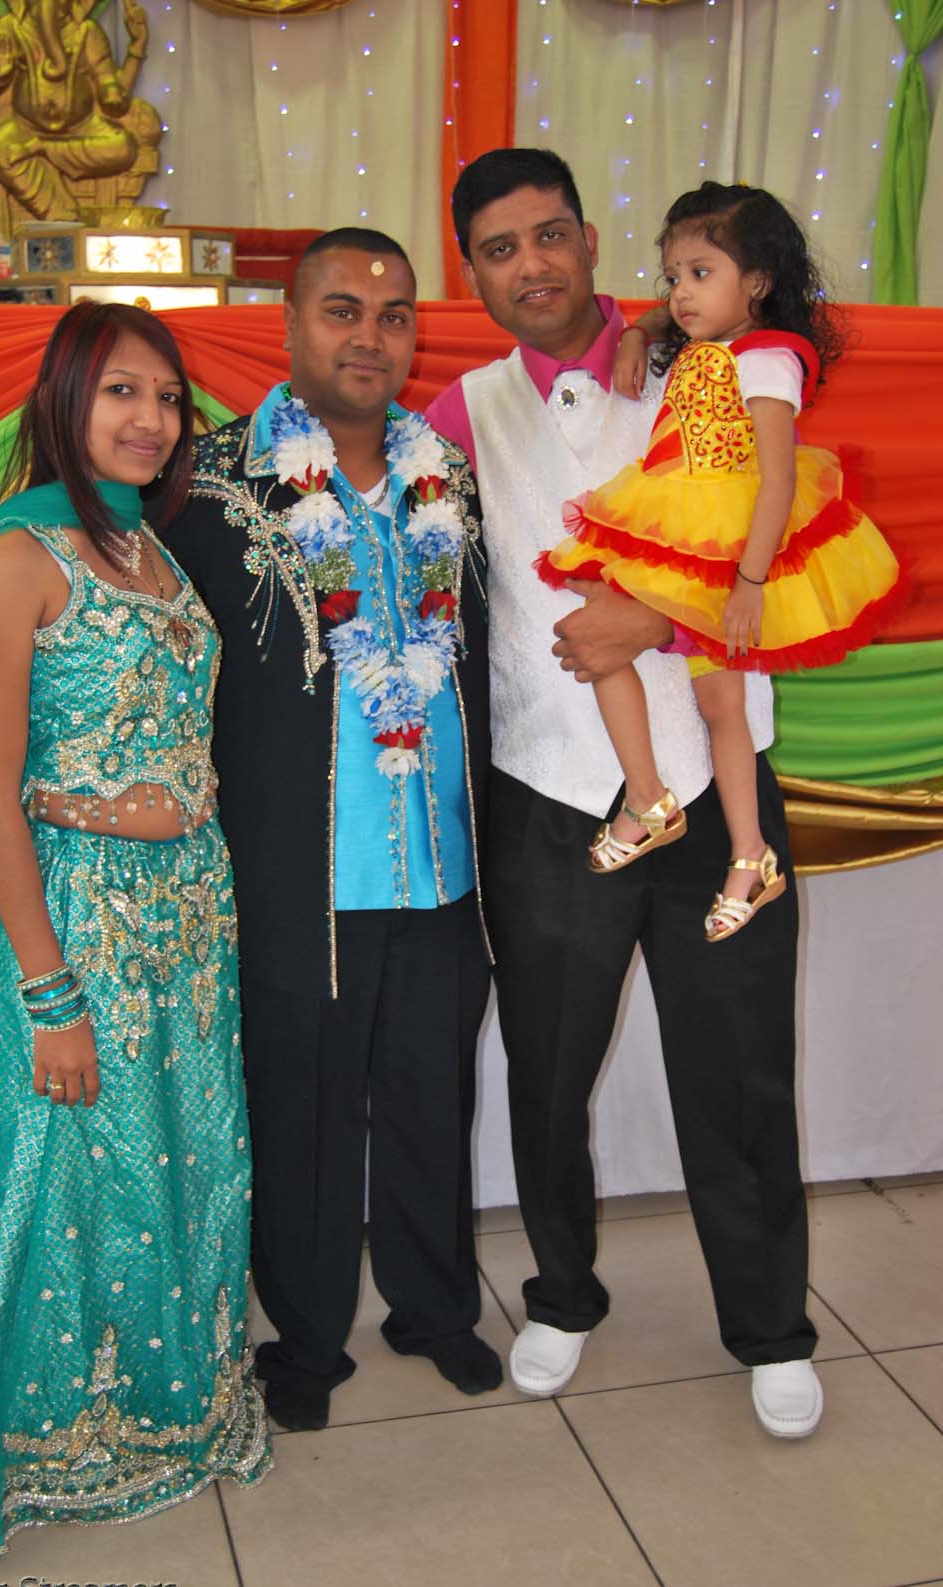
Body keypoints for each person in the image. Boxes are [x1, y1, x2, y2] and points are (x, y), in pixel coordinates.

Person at [426, 149, 823, 1438]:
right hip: (549, 791)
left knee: (742, 1070)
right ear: (474, 274)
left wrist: (650, 614)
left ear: (591, 240)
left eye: (549, 234)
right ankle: (561, 1293)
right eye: (500, 249)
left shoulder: (700, 352)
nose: (531, 264)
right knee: (547, 1069)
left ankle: (770, 1325)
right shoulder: (463, 412)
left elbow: (779, 519)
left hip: (716, 785)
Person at [0, 301, 270, 1558]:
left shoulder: (150, 546)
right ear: (64, 400)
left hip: (190, 922)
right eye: (121, 391)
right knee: (72, 1178)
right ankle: (56, 1447)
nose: (151, 419)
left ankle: (182, 1413)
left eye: (166, 396)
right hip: (82, 921)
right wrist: (49, 991)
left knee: (189, 1162)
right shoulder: (21, 553)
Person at [160, 227, 499, 1434]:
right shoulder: (210, 486)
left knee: (430, 1097)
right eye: (343, 309)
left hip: (443, 864)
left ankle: (436, 1306)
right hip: (299, 870)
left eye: (395, 314)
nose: (371, 335)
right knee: (301, 1109)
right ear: (292, 323)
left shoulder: (448, 479)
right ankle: (303, 1337)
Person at [539, 182, 903, 939]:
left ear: (758, 281)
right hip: (672, 525)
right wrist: (640, 331)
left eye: (700, 273)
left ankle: (746, 854)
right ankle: (652, 797)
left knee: (721, 707)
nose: (680, 292)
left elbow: (778, 478)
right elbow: (665, 318)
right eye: (673, 275)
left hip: (723, 541)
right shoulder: (704, 347)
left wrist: (749, 583)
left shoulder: (768, 361)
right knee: (601, 629)